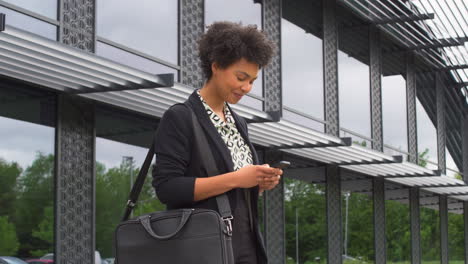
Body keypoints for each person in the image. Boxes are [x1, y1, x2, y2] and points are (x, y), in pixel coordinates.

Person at [152, 21, 283, 264]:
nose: (247, 88)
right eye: (241, 77)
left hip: (247, 244)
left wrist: (257, 184)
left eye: (252, 80)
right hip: (202, 249)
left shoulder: (238, 122)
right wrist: (238, 179)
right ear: (216, 66)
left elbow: (230, 191)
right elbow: (167, 188)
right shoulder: (181, 117)